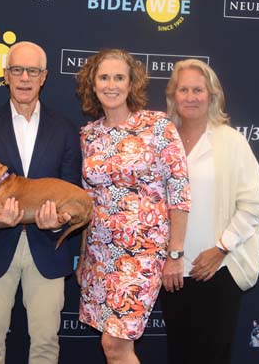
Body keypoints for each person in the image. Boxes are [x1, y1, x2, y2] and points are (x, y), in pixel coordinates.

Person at [0, 41, 81, 364]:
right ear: (5, 76)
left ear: (44, 77)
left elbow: (71, 189)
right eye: (17, 70)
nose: (25, 78)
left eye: (32, 71)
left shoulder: (66, 130)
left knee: (45, 344)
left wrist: (60, 218)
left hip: (48, 247)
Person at [75, 48, 190, 364]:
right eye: (104, 77)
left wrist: (175, 254)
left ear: (132, 83)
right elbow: (88, 202)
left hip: (142, 254)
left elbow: (179, 191)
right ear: (93, 83)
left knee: (116, 345)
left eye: (119, 77)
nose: (111, 85)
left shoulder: (157, 126)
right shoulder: (88, 135)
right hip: (100, 254)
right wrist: (84, 258)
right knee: (111, 346)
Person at [160, 59, 259, 364]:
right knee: (179, 355)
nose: (191, 97)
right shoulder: (163, 141)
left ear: (212, 95)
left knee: (212, 357)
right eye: (183, 90)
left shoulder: (231, 142)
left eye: (198, 90)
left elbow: (253, 204)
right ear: (173, 96)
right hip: (173, 272)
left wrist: (220, 249)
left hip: (218, 271)